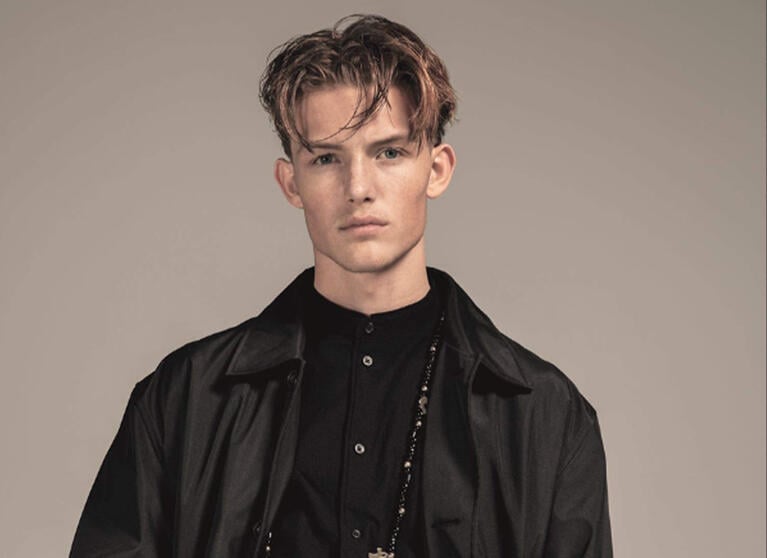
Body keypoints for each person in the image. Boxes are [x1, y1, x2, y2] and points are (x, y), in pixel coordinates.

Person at [70, 14, 612, 558]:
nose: (358, 188)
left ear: (437, 170)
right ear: (291, 183)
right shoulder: (184, 398)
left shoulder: (546, 416)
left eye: (389, 152)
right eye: (327, 158)